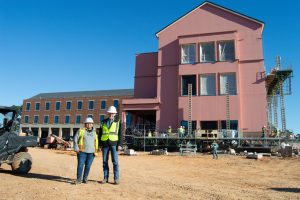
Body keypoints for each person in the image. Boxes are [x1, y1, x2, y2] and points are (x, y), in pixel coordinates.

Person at [99, 106, 122, 185]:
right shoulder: (103, 122)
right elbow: (100, 134)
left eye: (112, 113)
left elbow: (120, 134)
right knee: (105, 161)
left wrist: (119, 144)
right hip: (105, 143)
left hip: (114, 144)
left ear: (115, 114)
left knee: (115, 161)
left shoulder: (118, 121)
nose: (111, 114)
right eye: (110, 113)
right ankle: (105, 178)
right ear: (108, 113)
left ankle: (116, 178)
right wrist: (100, 144)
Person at [73, 117, 98, 184]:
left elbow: (96, 142)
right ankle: (78, 179)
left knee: (88, 166)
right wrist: (76, 148)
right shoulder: (81, 130)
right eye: (88, 123)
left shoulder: (94, 132)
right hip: (82, 152)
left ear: (92, 124)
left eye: (91, 123)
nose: (89, 124)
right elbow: (75, 139)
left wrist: (96, 151)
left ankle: (85, 179)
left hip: (91, 153)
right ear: (85, 124)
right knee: (80, 165)